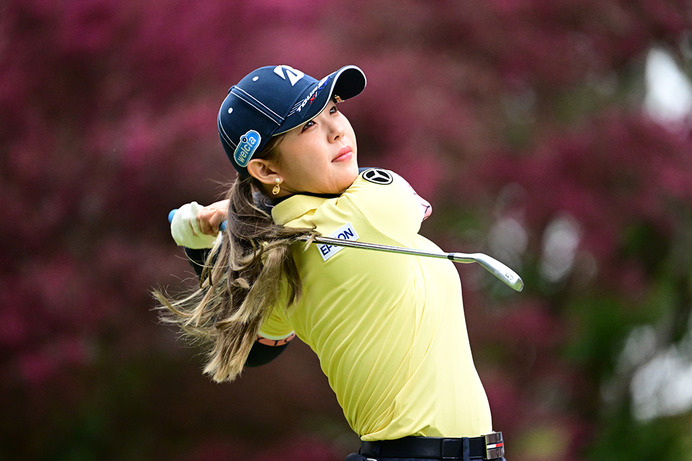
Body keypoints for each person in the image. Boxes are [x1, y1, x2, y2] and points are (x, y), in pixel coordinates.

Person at [155, 64, 507, 461]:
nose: (336, 130)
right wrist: (235, 220)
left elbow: (259, 348)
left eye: (333, 109)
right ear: (266, 169)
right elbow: (254, 347)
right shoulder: (375, 206)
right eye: (307, 125)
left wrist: (199, 247)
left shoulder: (278, 258)